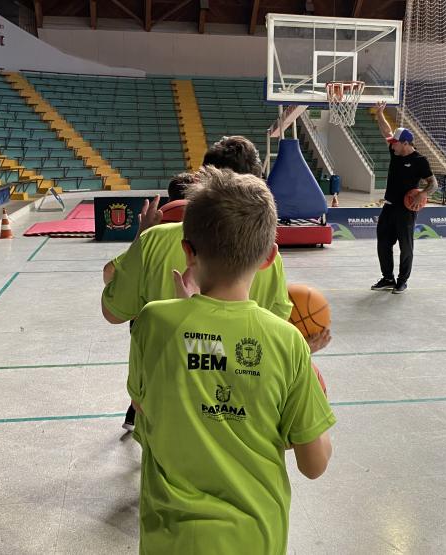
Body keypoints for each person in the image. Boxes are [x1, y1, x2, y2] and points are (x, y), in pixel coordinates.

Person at [126, 167, 335, 553]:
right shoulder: (287, 343)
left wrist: (188, 318)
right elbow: (314, 464)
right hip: (253, 537)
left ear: (188, 251)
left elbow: (144, 404)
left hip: (168, 539)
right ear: (270, 257)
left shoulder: (154, 322)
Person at [103, 138, 329, 432]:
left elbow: (113, 310)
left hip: (163, 411)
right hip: (237, 412)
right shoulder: (267, 258)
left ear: (200, 181)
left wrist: (139, 242)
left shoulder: (154, 242)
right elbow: (272, 343)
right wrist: (301, 350)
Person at [371, 102, 438, 294]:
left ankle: (402, 281)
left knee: (405, 247)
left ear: (406, 144)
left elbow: (433, 183)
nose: (392, 145)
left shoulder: (420, 161)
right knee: (383, 243)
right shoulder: (396, 153)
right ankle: (387, 278)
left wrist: (423, 194)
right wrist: (380, 113)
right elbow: (386, 131)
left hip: (406, 210)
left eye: (396, 143)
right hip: (389, 207)